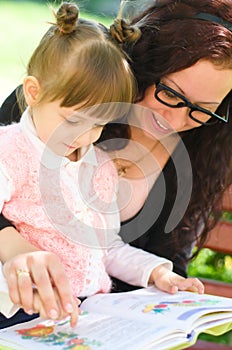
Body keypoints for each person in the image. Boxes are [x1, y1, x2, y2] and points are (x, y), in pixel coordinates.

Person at [0, 1, 204, 329]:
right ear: (34, 92)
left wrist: (156, 271)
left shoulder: (98, 167)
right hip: (17, 311)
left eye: (98, 126)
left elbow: (106, 247)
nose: (84, 136)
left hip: (82, 314)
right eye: (74, 120)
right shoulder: (11, 151)